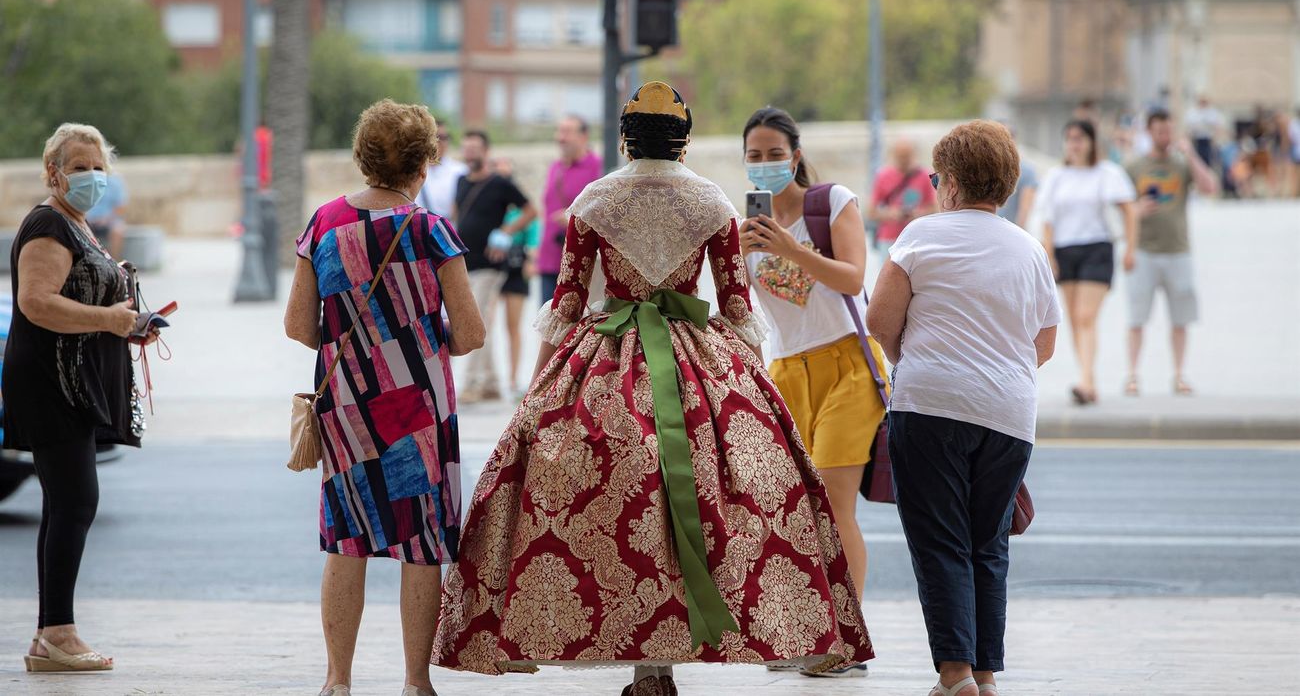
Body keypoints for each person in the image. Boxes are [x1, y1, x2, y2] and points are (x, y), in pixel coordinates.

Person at [434, 82, 874, 695]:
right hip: (699, 365)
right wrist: (755, 396)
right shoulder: (712, 201)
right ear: (684, 143)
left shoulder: (594, 200)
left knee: (616, 506)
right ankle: (680, 652)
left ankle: (637, 654)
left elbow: (566, 305)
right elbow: (738, 309)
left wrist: (537, 391)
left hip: (604, 362)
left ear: (625, 140)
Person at [283, 100, 486, 696]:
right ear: (424, 164)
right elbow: (471, 334)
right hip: (419, 408)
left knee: (347, 538)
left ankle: (337, 681)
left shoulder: (324, 224)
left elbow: (298, 325)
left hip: (348, 406)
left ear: (362, 157)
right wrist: (418, 342)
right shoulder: (430, 231)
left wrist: (357, 343)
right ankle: (416, 682)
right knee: (421, 545)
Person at [866, 120, 1060, 696]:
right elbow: (1045, 343)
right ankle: (985, 674)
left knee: (940, 540)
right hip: (1009, 414)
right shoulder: (1029, 249)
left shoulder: (919, 237)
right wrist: (998, 369)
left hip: (930, 404)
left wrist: (912, 359)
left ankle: (954, 677)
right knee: (989, 545)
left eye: (935, 179)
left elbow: (880, 320)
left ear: (949, 183)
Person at [739, 106, 884, 680]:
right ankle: (797, 633)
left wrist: (791, 248)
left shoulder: (832, 202)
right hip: (787, 372)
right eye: (755, 156)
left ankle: (845, 642)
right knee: (790, 510)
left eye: (776, 154)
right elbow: (744, 311)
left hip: (848, 363)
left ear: (795, 156)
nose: (766, 164)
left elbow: (853, 277)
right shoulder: (746, 227)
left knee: (835, 502)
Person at [5, 123, 153, 673]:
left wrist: (128, 324)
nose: (91, 176)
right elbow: (36, 302)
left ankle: (50, 634)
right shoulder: (49, 224)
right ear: (54, 173)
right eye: (79, 167)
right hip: (52, 383)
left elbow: (86, 300)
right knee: (75, 503)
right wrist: (108, 320)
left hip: (71, 381)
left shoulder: (78, 224)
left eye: (98, 167)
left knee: (65, 504)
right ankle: (57, 634)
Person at [1034, 119, 1138, 405]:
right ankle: (1087, 379)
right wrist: (1049, 255)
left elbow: (1129, 210)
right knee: (1073, 319)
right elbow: (1047, 219)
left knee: (1085, 316)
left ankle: (1086, 380)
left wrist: (1130, 247)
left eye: (1080, 138)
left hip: (1097, 247)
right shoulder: (1057, 176)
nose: (1074, 144)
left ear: (1091, 142)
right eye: (1070, 139)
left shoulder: (1107, 173)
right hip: (1065, 250)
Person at [1123, 109, 1218, 397]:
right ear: (1149, 132)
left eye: (1169, 131)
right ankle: (1132, 376)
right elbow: (1120, 208)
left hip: (1178, 251)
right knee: (1137, 318)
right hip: (1144, 251)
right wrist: (1137, 211)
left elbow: (1210, 187)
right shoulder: (1134, 166)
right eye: (1159, 131)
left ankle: (1179, 375)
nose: (1165, 136)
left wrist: (1191, 154)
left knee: (1180, 319)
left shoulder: (1182, 163)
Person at [453, 130, 537, 403]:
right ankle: (490, 382)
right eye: (466, 149)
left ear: (485, 151)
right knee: (479, 319)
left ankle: (471, 382)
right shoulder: (460, 181)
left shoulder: (499, 183)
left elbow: (531, 210)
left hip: (490, 264)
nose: (470, 154)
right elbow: (457, 215)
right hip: (465, 263)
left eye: (475, 149)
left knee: (475, 319)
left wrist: (505, 232)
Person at [538, 115, 604, 306]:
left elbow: (605, 212)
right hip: (550, 258)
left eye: (567, 132)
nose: (560, 137)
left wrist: (573, 220)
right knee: (547, 319)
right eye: (559, 131)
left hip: (580, 262)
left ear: (584, 136)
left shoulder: (597, 167)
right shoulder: (555, 167)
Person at [492, 156, 542, 399]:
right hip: (494, 266)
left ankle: (512, 378)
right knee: (487, 323)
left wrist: (531, 260)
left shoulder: (520, 210)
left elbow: (533, 234)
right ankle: (491, 376)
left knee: (513, 325)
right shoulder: (492, 207)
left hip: (515, 266)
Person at [865, 139, 936, 283]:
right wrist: (891, 214)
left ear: (914, 155)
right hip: (890, 238)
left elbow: (935, 208)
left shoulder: (925, 175)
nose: (904, 161)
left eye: (907, 156)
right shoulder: (883, 175)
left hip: (917, 237)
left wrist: (916, 214)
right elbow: (871, 212)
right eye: (900, 157)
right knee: (889, 281)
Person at [415, 125, 469, 218]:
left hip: (448, 225)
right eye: (435, 136)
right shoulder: (412, 171)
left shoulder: (461, 171)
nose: (439, 141)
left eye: (444, 137)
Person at [997, 129, 1038, 227]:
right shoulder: (988, 167)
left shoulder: (1026, 170)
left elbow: (1025, 208)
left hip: (1010, 228)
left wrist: (1018, 231)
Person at [85, 172, 128, 259]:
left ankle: (114, 262)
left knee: (118, 230)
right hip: (88, 219)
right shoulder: (86, 181)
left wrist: (106, 219)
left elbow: (120, 207)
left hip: (109, 220)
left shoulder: (116, 182)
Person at [1185, 95, 1223, 173]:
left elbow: (1216, 127)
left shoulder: (1212, 112)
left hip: (1207, 141)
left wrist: (1215, 140)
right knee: (1197, 162)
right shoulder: (1193, 113)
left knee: (1207, 163)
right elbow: (1189, 129)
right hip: (1197, 141)